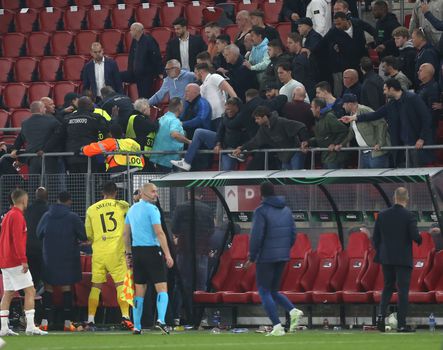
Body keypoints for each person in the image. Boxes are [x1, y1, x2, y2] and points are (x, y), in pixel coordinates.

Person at [244, 183, 303, 336]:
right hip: (282, 256)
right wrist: (284, 249)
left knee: (264, 291)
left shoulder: (261, 211)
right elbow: (293, 234)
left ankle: (277, 326)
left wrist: (252, 256)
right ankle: (293, 310)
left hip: (265, 257)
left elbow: (257, 236)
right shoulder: (286, 210)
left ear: (261, 194)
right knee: (273, 291)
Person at [124, 183, 174, 335]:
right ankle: (161, 320)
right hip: (152, 251)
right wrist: (168, 254)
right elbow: (159, 232)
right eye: (153, 191)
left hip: (137, 252)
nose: (156, 194)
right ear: (144, 193)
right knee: (162, 287)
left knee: (140, 290)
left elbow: (126, 234)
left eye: (156, 191)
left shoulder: (131, 210)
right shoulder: (152, 209)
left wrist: (128, 254)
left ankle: (137, 326)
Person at [85, 182, 133, 331]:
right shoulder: (122, 205)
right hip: (117, 252)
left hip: (99, 252)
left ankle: (91, 320)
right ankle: (125, 317)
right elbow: (130, 219)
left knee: (96, 286)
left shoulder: (91, 210)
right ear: (116, 192)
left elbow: (89, 234)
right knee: (121, 285)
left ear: (102, 193)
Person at [374, 187, 422, 333]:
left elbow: (376, 238)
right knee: (403, 291)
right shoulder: (409, 216)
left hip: (386, 258)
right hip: (402, 259)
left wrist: (382, 251)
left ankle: (381, 318)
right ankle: (401, 324)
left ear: (394, 197)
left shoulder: (382, 215)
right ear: (406, 199)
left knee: (387, 287)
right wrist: (421, 238)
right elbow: (415, 236)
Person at [36, 191, 87, 332]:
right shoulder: (73, 217)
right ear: (69, 201)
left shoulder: (46, 216)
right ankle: (67, 323)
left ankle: (45, 322)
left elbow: (38, 233)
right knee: (66, 288)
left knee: (48, 288)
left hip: (50, 257)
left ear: (57, 200)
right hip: (68, 257)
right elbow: (83, 235)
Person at [0, 189, 48, 336]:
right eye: (26, 199)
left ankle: (3, 328)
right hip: (15, 261)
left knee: (8, 293)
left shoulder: (8, 215)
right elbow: (18, 241)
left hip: (5, 260)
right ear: (22, 200)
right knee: (30, 291)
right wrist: (23, 260)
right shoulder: (18, 216)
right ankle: (30, 326)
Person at [232, 106, 309, 170]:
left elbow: (300, 126)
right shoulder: (263, 129)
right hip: (284, 156)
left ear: (265, 117)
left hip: (295, 151)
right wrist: (242, 148)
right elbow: (255, 141)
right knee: (286, 179)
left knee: (297, 176)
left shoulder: (281, 122)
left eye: (257, 118)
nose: (256, 121)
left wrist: (304, 140)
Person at [335, 94, 391, 168]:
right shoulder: (351, 114)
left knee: (376, 178)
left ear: (350, 104)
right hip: (364, 153)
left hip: (376, 152)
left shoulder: (364, 110)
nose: (343, 106)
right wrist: (342, 144)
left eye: (344, 104)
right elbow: (352, 132)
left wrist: (380, 143)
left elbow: (382, 123)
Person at [11, 101, 60, 174]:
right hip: (48, 157)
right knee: (50, 182)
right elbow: (57, 137)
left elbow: (21, 137)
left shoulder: (25, 123)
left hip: (32, 157)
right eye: (44, 108)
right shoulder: (52, 120)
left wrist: (15, 148)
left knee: (34, 182)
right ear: (40, 109)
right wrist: (45, 150)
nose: (45, 110)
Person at [304, 97, 349, 169]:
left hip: (334, 157)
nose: (311, 109)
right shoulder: (319, 119)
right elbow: (322, 137)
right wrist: (308, 142)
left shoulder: (329, 117)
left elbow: (343, 131)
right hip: (326, 156)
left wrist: (334, 143)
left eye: (312, 107)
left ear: (318, 108)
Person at [149, 98, 191, 172]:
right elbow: (174, 134)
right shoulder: (174, 121)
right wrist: (188, 141)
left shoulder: (162, 118)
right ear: (179, 108)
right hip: (168, 159)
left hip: (158, 158)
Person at [122, 22, 163, 98]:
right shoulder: (134, 41)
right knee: (117, 76)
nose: (130, 32)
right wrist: (129, 71)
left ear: (137, 31)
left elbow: (156, 57)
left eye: (131, 30)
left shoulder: (149, 40)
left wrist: (160, 71)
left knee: (143, 98)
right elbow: (131, 58)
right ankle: (120, 98)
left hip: (145, 75)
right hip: (134, 73)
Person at [194, 63, 237, 131]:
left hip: (220, 115)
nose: (194, 75)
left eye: (195, 72)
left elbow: (229, 89)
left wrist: (237, 105)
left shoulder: (214, 77)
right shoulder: (201, 87)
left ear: (201, 72)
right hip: (210, 118)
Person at [24, 187, 49, 289]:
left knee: (31, 277)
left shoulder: (27, 210)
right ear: (47, 197)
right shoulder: (48, 211)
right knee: (42, 277)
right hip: (42, 248)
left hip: (27, 247)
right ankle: (40, 301)